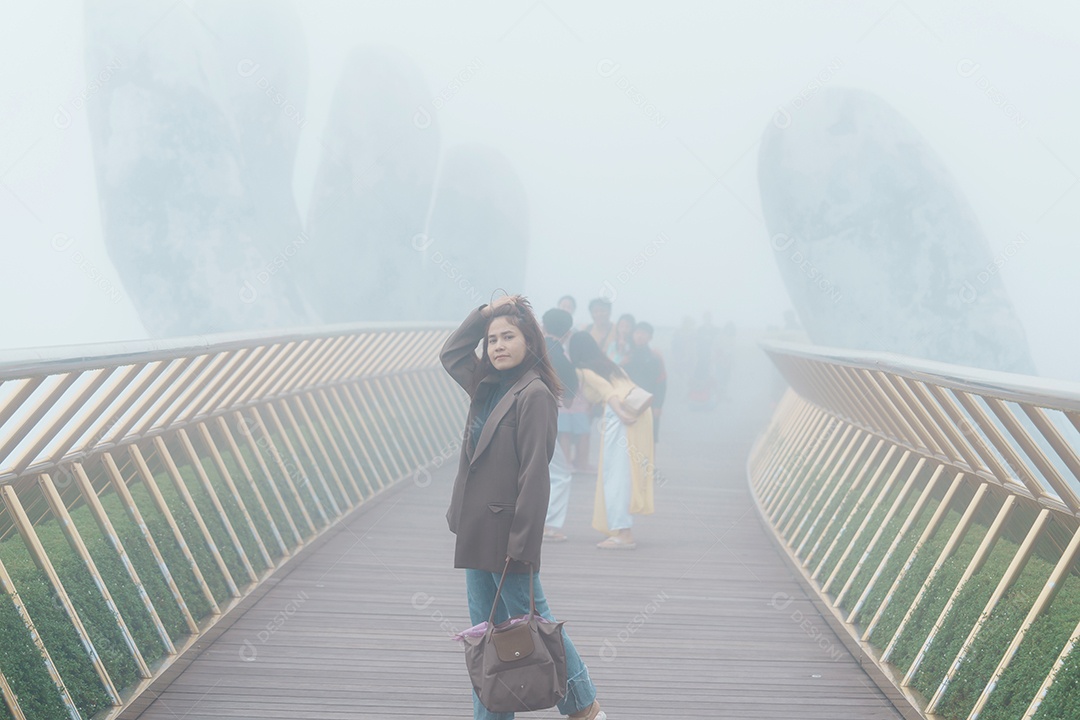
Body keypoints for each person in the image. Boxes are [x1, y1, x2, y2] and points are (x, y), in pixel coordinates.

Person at [441, 296, 606, 720]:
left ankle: (584, 704)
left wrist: (524, 542)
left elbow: (535, 475)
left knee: (538, 624)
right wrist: (483, 313)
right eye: (492, 339)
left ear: (529, 339)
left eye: (508, 336)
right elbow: (452, 352)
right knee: (487, 635)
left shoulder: (535, 394)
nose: (497, 345)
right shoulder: (486, 384)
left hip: (508, 534)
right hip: (477, 528)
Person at [568, 331, 655, 550]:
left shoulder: (583, 370)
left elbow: (609, 393)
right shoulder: (610, 365)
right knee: (624, 470)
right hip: (640, 409)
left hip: (621, 413)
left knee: (615, 472)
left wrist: (622, 414)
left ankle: (624, 533)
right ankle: (621, 528)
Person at [541, 308, 579, 542]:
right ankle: (549, 525)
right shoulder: (564, 362)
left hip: (508, 418)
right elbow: (568, 400)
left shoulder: (526, 348)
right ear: (568, 333)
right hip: (543, 421)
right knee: (560, 473)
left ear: (543, 326)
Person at [624, 321, 667, 444]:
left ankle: (649, 463)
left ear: (650, 337)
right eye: (637, 333)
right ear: (633, 335)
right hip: (629, 403)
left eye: (643, 333)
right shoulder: (626, 356)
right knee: (630, 437)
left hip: (650, 404)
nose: (639, 336)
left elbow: (661, 382)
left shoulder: (655, 357)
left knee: (650, 438)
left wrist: (658, 406)